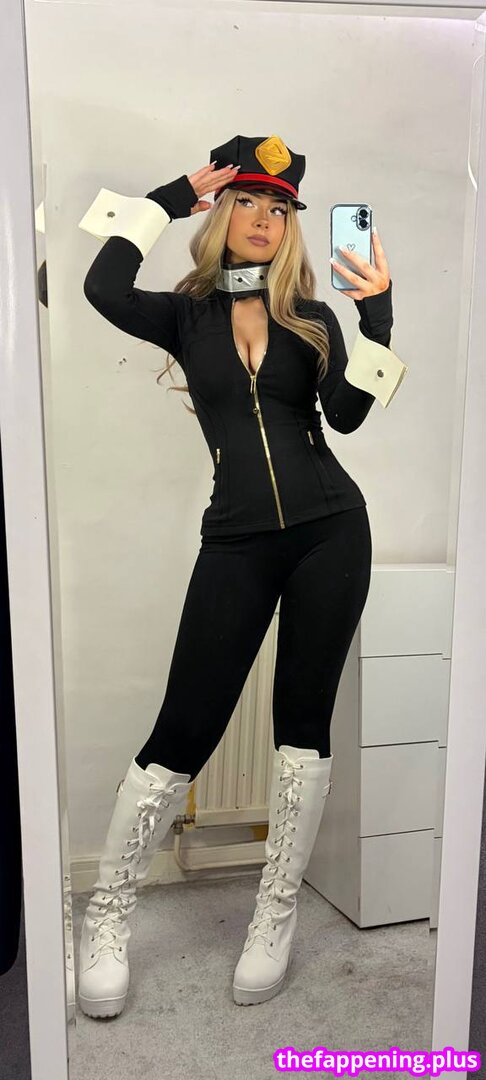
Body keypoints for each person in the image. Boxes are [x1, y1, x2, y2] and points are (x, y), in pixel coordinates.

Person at [76, 134, 407, 1018]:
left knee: (302, 727)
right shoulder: (186, 314)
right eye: (249, 201)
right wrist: (164, 197)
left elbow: (347, 417)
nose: (264, 218)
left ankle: (275, 913)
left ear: (292, 224)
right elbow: (102, 287)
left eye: (280, 207)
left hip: (333, 530)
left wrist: (377, 315)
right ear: (222, 212)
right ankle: (108, 914)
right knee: (182, 731)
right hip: (237, 540)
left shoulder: (310, 314)